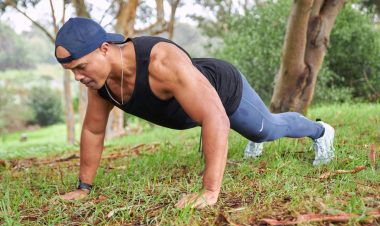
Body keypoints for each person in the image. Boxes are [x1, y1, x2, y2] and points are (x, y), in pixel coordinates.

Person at [56, 17, 335, 208]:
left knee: (266, 131)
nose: (78, 77)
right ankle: (247, 135)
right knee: (245, 129)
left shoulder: (160, 61)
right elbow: (93, 130)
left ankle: (320, 131)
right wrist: (84, 188)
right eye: (72, 72)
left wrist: (209, 192)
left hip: (222, 91)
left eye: (81, 67)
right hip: (201, 101)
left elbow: (215, 117)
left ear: (105, 49)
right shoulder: (100, 84)